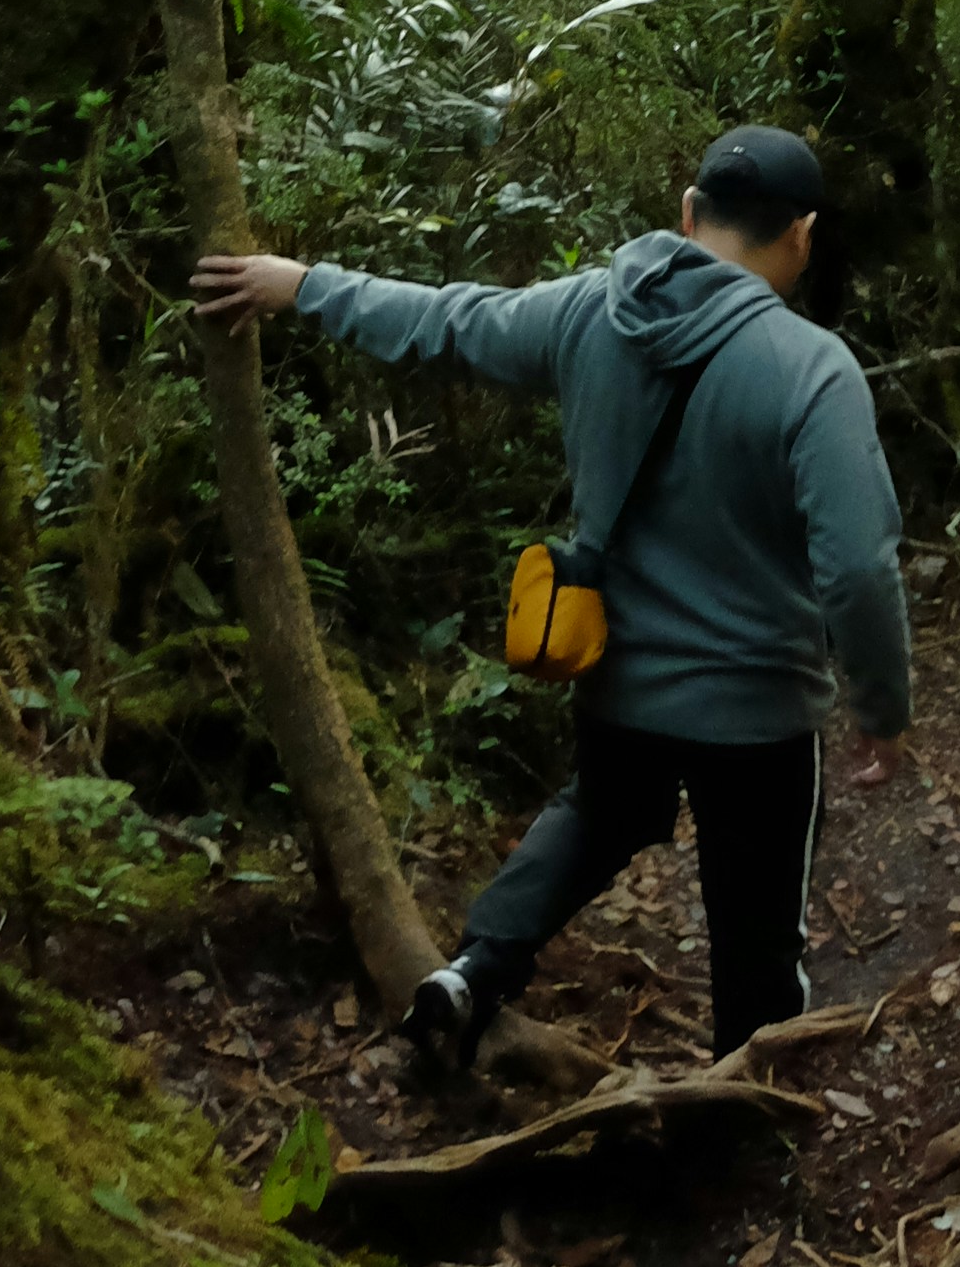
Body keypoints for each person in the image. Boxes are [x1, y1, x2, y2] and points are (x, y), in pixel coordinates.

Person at [187, 123, 915, 1077]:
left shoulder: (588, 313)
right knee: (755, 917)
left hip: (620, 686)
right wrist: (881, 709)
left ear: (689, 213)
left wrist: (306, 286)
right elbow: (858, 567)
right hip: (759, 714)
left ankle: (473, 971)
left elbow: (447, 322)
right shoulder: (812, 369)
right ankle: (742, 1105)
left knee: (598, 818)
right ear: (803, 236)